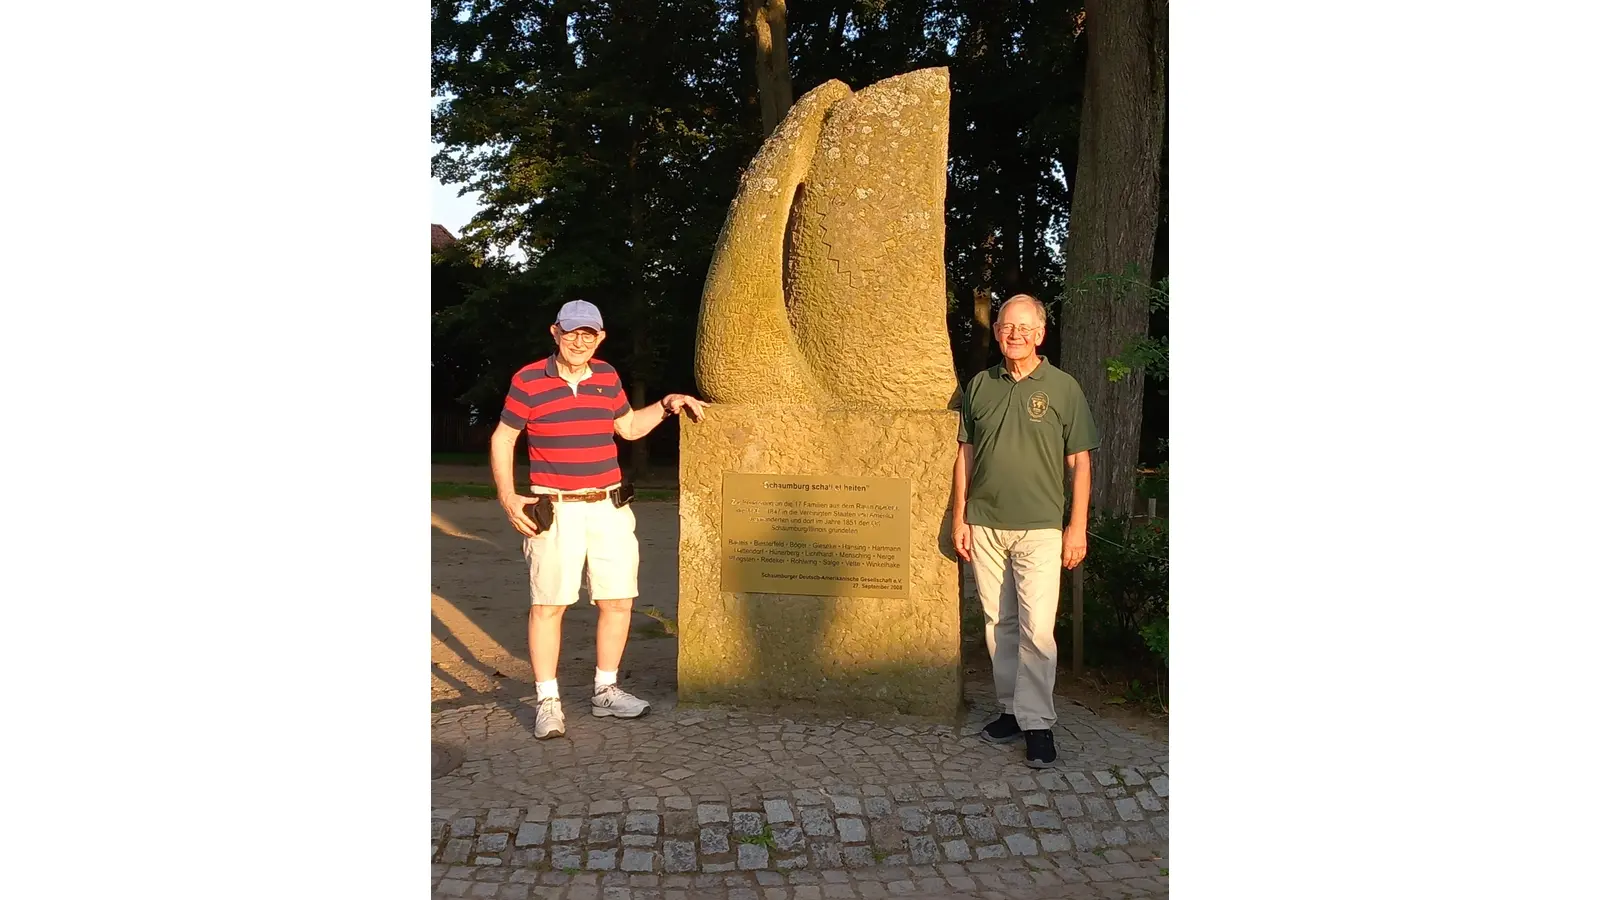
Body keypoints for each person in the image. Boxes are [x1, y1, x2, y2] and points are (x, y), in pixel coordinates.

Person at [489, 300, 706, 740]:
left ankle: (606, 691)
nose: (579, 341)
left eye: (588, 334)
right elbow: (503, 437)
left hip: (609, 507)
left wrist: (668, 404)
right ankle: (548, 700)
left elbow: (626, 428)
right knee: (549, 604)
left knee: (618, 600)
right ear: (555, 333)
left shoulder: (606, 377)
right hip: (555, 508)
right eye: (571, 333)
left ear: (600, 337)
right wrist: (508, 497)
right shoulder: (528, 380)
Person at [951, 293, 1099, 768]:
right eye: (1005, 327)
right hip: (986, 524)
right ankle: (1011, 711)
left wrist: (1077, 527)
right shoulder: (980, 386)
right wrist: (960, 516)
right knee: (1000, 625)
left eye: (1023, 327)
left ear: (1039, 334)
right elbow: (965, 454)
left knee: (1038, 629)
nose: (1013, 335)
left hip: (1040, 527)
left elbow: (1080, 463)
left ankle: (1038, 725)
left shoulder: (1062, 388)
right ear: (996, 333)